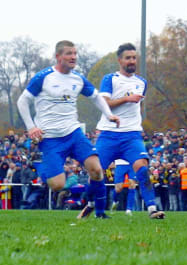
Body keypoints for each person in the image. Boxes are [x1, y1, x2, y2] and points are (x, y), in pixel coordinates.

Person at [17, 40, 120, 218]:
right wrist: (31, 127)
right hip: (50, 138)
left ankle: (98, 211)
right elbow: (22, 101)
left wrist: (109, 114)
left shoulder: (77, 78)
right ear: (58, 57)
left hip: (73, 133)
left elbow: (95, 97)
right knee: (57, 185)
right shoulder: (44, 77)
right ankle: (38, 161)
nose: (73, 57)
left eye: (75, 53)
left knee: (96, 169)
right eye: (69, 54)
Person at [93, 43, 164, 219]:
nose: (132, 61)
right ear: (120, 60)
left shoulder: (142, 83)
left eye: (134, 58)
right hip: (109, 133)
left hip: (131, 135)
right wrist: (127, 99)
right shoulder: (110, 79)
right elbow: (105, 104)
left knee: (142, 168)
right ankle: (93, 207)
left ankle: (152, 209)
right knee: (96, 172)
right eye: (128, 58)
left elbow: (135, 107)